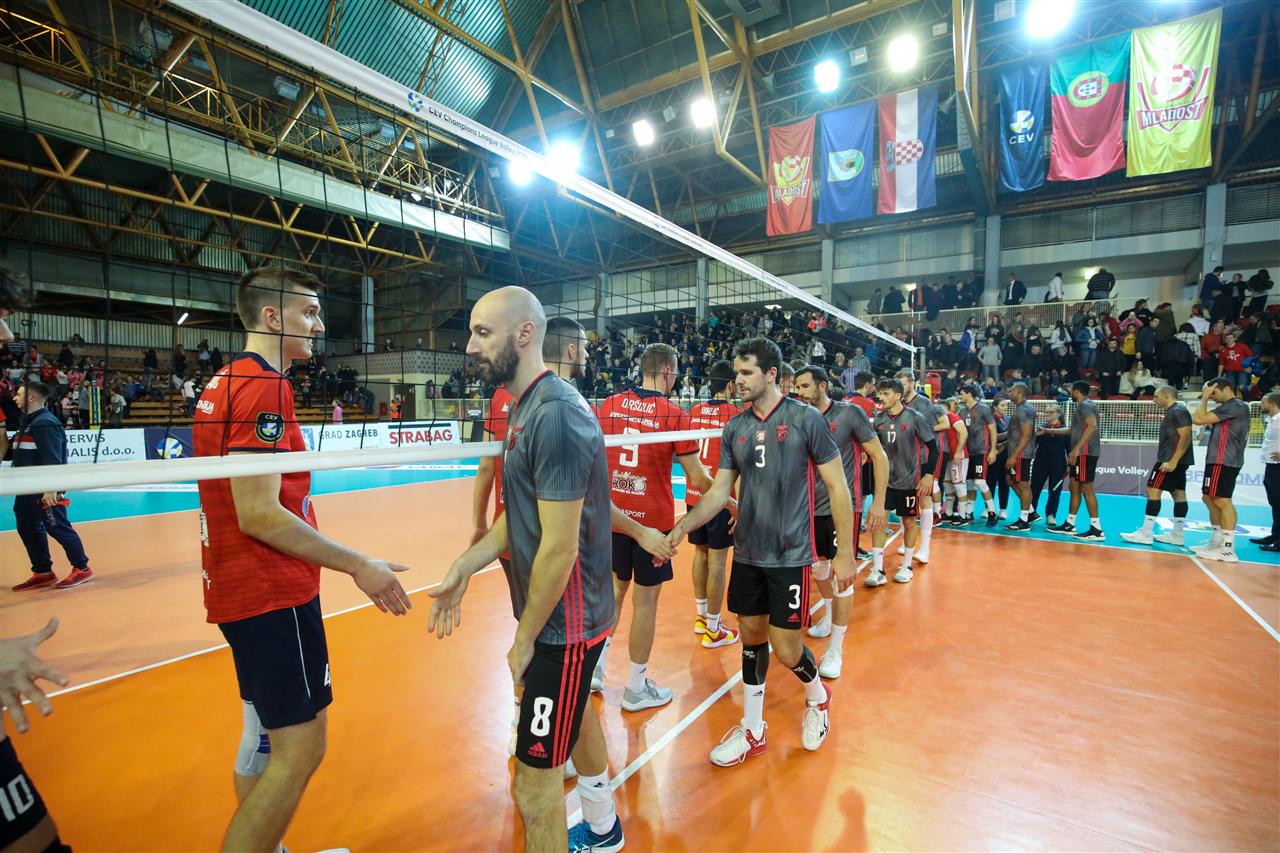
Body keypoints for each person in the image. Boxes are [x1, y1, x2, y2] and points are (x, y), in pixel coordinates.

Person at [193, 268, 412, 851]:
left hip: (239, 590)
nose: (319, 325)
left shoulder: (224, 380)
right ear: (272, 317)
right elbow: (259, 514)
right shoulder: (265, 387)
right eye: (309, 312)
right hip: (272, 594)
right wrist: (359, 564)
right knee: (302, 748)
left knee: (261, 736)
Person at [430, 287, 627, 851]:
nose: (470, 346)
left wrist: (524, 641)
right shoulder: (522, 407)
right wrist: (466, 564)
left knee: (533, 783)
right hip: (558, 619)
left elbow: (559, 547)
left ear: (524, 334)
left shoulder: (557, 414)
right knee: (577, 715)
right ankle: (604, 826)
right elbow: (519, 516)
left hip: (565, 627)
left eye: (482, 333)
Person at [666, 337, 857, 766]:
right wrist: (682, 527)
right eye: (736, 373)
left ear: (771, 374)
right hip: (749, 553)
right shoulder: (734, 428)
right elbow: (719, 492)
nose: (738, 380)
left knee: (787, 649)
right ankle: (752, 730)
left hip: (790, 555)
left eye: (747, 372)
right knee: (750, 638)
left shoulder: (806, 419)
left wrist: (844, 552)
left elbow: (837, 486)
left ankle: (817, 696)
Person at [594, 343, 713, 710]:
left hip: (614, 517)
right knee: (645, 602)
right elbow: (697, 477)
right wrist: (732, 499)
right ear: (667, 371)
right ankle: (635, 687)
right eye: (675, 373)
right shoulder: (674, 414)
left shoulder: (609, 404)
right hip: (652, 525)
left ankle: (595, 669)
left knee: (614, 591)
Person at [795, 365, 888, 679]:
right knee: (818, 569)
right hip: (808, 509)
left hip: (842, 509)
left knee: (842, 575)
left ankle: (836, 649)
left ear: (822, 386)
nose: (800, 393)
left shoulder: (849, 414)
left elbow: (879, 456)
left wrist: (879, 502)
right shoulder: (800, 417)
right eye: (797, 387)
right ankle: (828, 612)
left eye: (805, 386)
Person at [8, 381, 95, 591]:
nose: (14, 398)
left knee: (57, 527)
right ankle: (43, 572)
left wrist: (51, 488)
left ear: (31, 398)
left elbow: (54, 459)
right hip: (26, 489)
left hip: (45, 489)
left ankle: (82, 568)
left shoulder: (45, 423)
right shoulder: (26, 423)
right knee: (27, 527)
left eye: (19, 394)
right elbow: (16, 454)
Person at [686, 359, 742, 650]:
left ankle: (701, 616)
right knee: (718, 561)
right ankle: (713, 628)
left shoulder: (695, 410)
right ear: (731, 384)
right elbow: (741, 467)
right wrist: (740, 505)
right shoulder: (737, 415)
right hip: (720, 498)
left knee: (701, 553)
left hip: (694, 495)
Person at [867, 378, 938, 585]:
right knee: (879, 521)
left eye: (886, 393)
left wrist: (929, 474)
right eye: (880, 393)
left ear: (898, 395)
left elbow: (933, 448)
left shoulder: (915, 417)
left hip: (908, 480)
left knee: (908, 521)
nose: (881, 397)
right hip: (884, 480)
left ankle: (907, 565)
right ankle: (878, 570)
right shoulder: (879, 419)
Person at [1121, 386, 1194, 546]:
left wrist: (1173, 460)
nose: (1153, 400)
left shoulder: (1177, 411)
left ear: (1167, 396)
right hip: (1177, 460)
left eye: (1156, 396)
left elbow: (1186, 436)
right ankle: (1177, 534)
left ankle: (1146, 533)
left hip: (1169, 460)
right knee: (1178, 494)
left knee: (1153, 490)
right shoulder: (1174, 411)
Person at [1190, 377, 1253, 562]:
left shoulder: (1236, 405)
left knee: (1222, 500)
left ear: (1226, 389)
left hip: (1224, 460)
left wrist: (1204, 398)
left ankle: (1227, 549)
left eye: (1214, 392)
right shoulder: (1227, 407)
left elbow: (1198, 419)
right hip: (1217, 460)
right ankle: (1216, 540)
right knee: (1208, 497)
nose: (1212, 396)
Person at [1049, 381, 1105, 539]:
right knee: (1074, 486)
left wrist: (1077, 448)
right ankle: (1070, 524)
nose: (1070, 394)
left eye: (1071, 391)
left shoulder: (1085, 405)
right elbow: (1071, 431)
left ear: (1076, 391)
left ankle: (1097, 529)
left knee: (1087, 489)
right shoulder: (1084, 405)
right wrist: (1046, 430)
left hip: (1085, 453)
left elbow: (1092, 426)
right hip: (1081, 453)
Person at [957, 384, 999, 527]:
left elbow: (993, 430)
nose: (960, 396)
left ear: (969, 394)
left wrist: (993, 450)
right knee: (969, 483)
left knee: (980, 482)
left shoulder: (984, 409)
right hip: (968, 453)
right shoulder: (962, 411)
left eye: (962, 393)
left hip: (981, 451)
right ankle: (969, 513)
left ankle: (992, 512)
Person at [1003, 383, 1039, 531]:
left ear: (1018, 392)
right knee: (1010, 480)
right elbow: (1016, 434)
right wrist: (1003, 445)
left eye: (1011, 391)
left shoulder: (1023, 410)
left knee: (1023, 485)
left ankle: (1024, 520)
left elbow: (1026, 435)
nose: (1009, 394)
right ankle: (1031, 512)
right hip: (1018, 452)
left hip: (1021, 454)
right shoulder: (1022, 408)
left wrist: (1014, 456)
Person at [1028, 403, 1069, 527]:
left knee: (1055, 491)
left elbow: (1070, 449)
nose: (1048, 414)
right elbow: (1031, 445)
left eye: (1051, 412)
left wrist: (1069, 466)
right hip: (1040, 463)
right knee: (1034, 489)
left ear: (1058, 414)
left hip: (1058, 465)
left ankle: (1051, 515)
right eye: (1046, 412)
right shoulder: (1040, 428)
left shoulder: (1065, 430)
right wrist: (1034, 436)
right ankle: (1030, 513)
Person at [1251, 392, 1280, 553]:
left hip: (1278, 467)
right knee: (1275, 503)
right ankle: (1275, 535)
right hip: (1271, 466)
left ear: (1273, 404)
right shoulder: (1271, 420)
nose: (1260, 405)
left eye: (1263, 402)